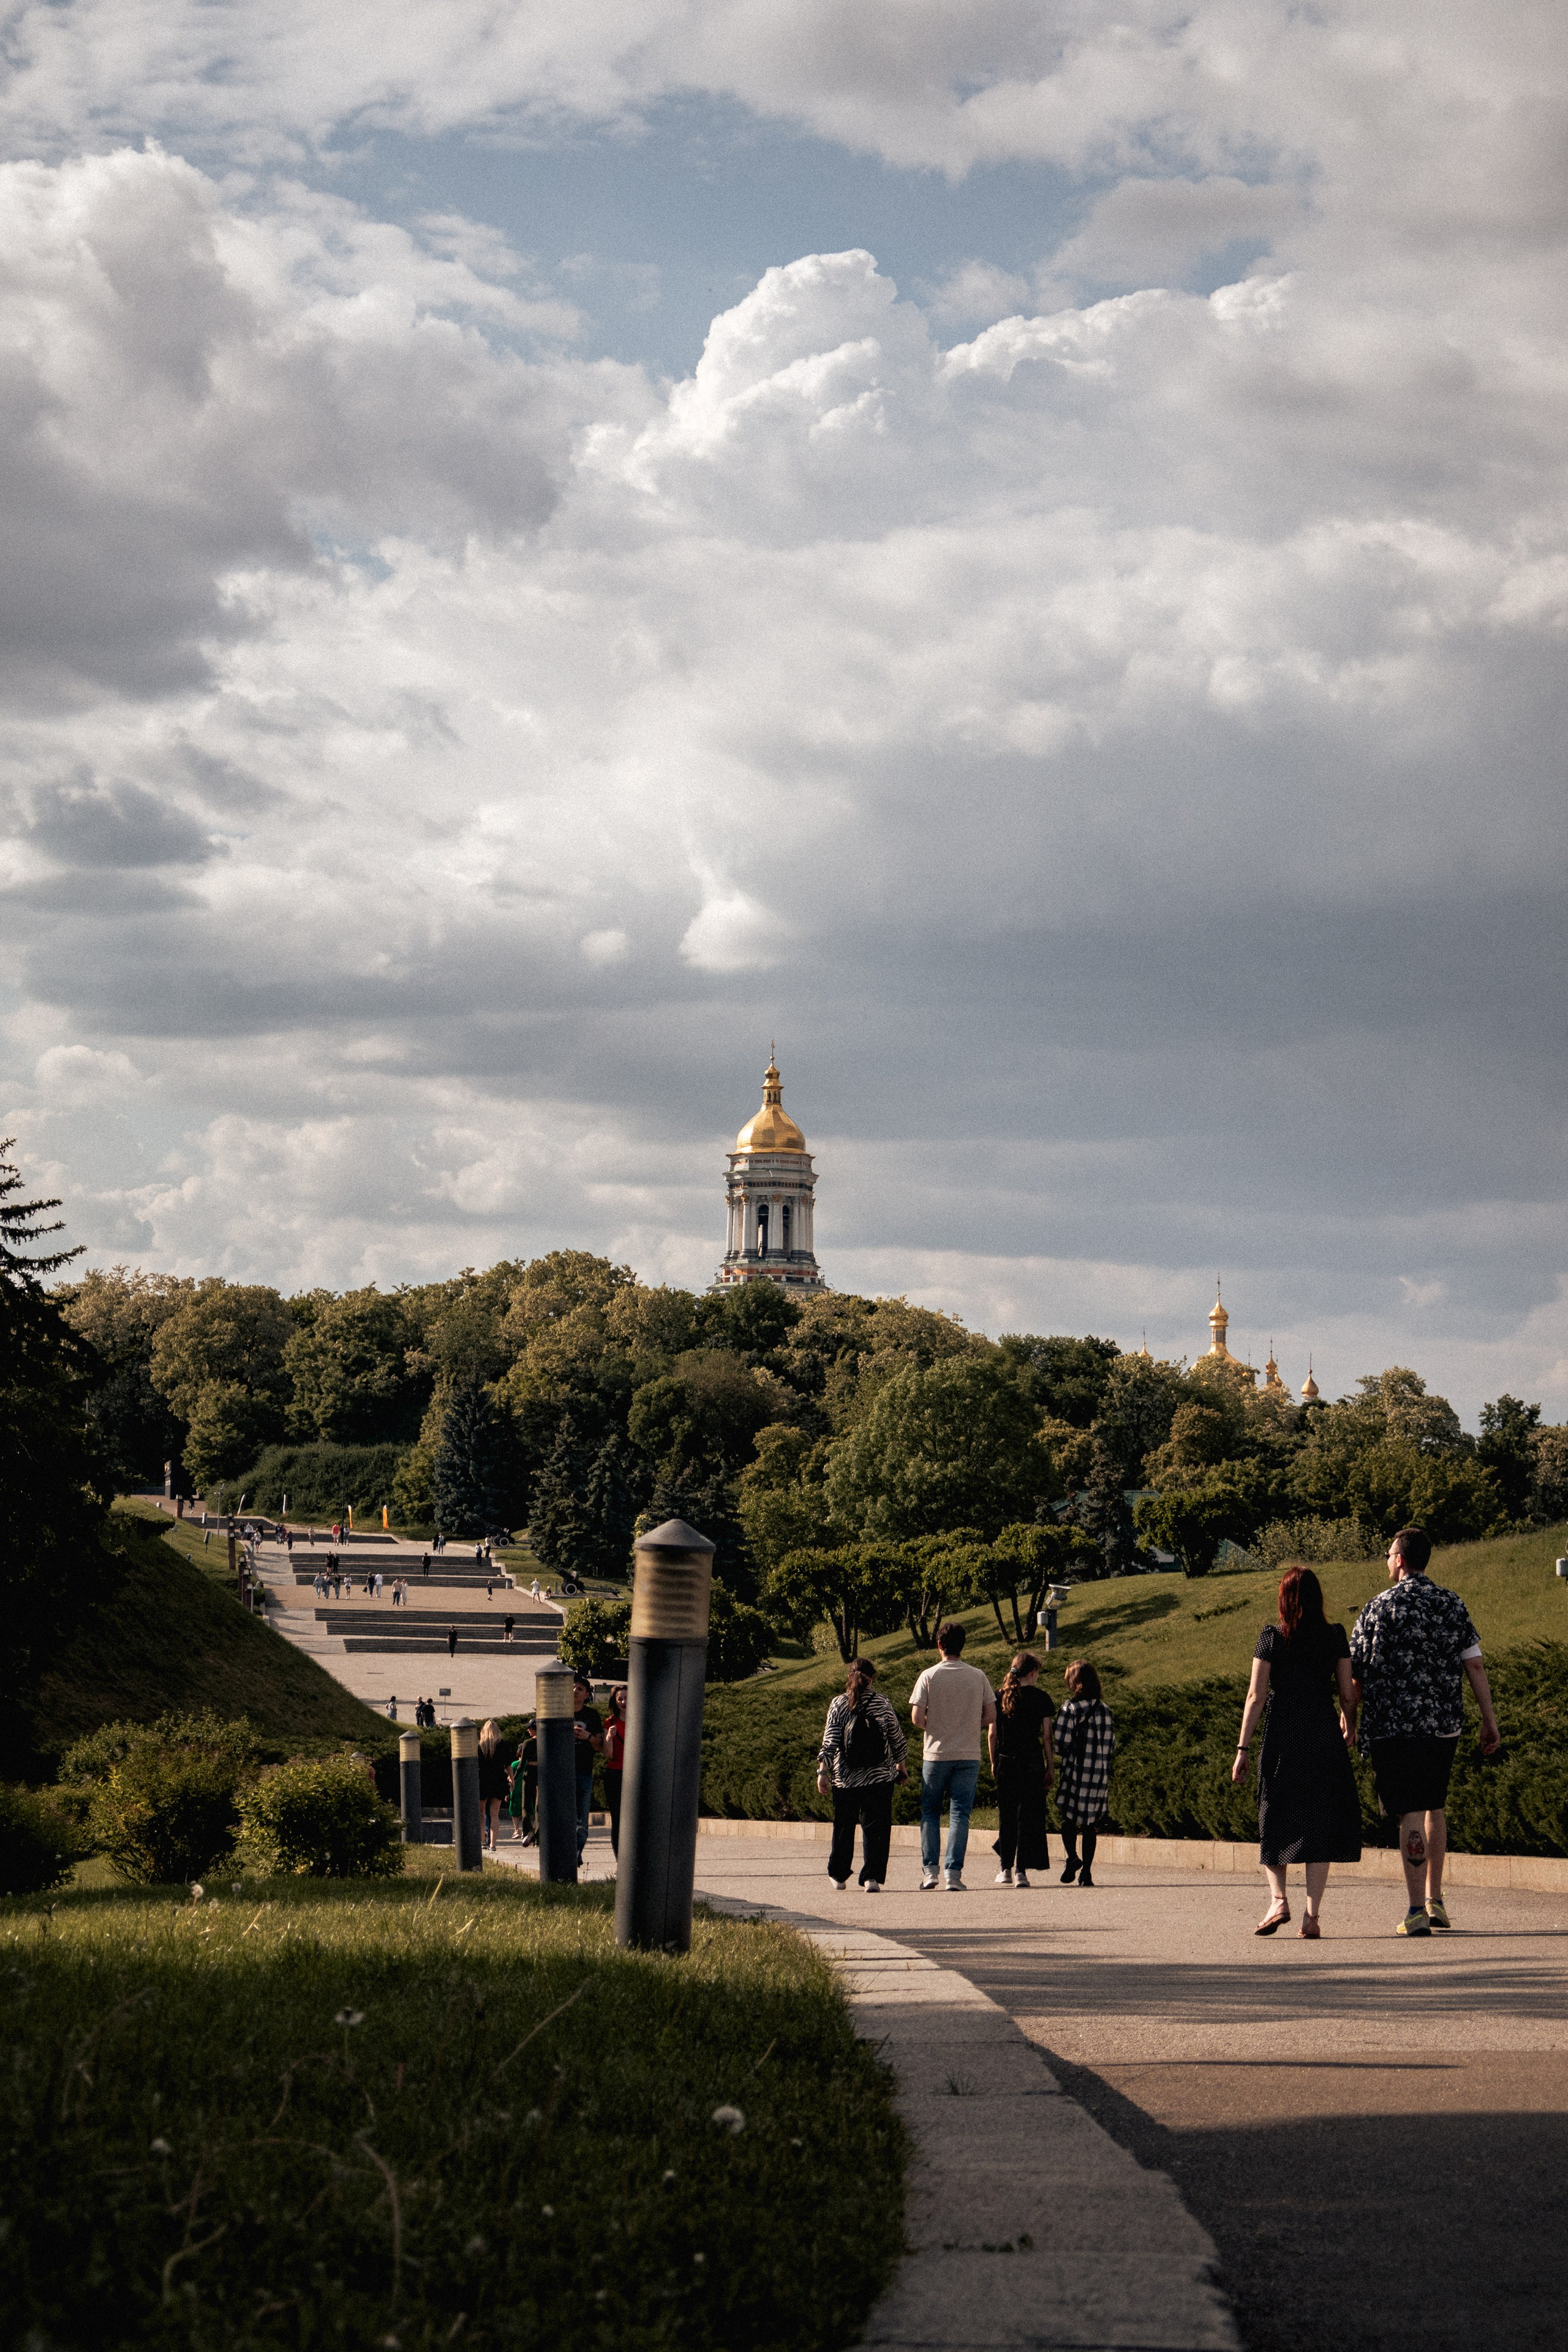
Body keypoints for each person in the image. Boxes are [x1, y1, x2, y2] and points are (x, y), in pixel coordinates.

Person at [1350, 1525, 1501, 1936]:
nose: (1386, 1559)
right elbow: (1474, 1664)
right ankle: (1436, 1901)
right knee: (1435, 1804)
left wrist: (1347, 1715)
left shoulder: (1376, 1609)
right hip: (1442, 1725)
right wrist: (1490, 1720)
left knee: (1410, 1812)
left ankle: (1415, 1910)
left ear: (1399, 1559)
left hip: (1394, 1727)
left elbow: (1354, 1675)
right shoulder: (1452, 1604)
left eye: (1387, 1553)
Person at [1233, 1566, 1363, 1937]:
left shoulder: (1272, 1638)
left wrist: (1242, 1748)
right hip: (1322, 1734)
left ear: (1284, 1599)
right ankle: (1312, 1917)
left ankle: (1278, 1901)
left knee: (1274, 1813)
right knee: (1319, 1820)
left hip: (1282, 1735)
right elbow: (1347, 1693)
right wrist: (1349, 1725)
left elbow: (1256, 1696)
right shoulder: (1335, 1635)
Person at [910, 1622, 997, 1891]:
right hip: (969, 1753)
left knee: (930, 1812)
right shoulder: (978, 1676)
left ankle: (931, 1872)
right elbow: (992, 1715)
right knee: (960, 1814)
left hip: (935, 1754)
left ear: (939, 1645)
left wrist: (934, 1726)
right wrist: (970, 1725)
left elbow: (916, 1718)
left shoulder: (929, 1676)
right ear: (963, 1645)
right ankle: (954, 1874)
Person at [818, 1657, 908, 1891]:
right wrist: (901, 1766)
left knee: (844, 1826)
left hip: (845, 1778)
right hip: (879, 1777)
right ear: (873, 1679)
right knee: (877, 1827)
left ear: (849, 1677)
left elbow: (830, 1742)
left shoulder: (838, 1704)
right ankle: (872, 1878)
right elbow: (896, 1738)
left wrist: (823, 1772)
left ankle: (839, 1875)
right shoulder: (882, 1703)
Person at [990, 1651, 1055, 1887]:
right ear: (1033, 1672)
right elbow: (1047, 1737)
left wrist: (993, 1761)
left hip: (1006, 1761)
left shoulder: (1000, 1696)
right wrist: (1051, 1766)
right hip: (1032, 1762)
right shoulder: (1042, 1699)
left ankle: (1004, 1869)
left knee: (1006, 1815)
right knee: (1027, 1817)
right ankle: (1021, 1871)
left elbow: (992, 1733)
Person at [1055, 1660, 1116, 1887]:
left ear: (1076, 1682)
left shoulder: (1071, 1708)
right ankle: (1087, 1873)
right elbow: (1112, 1744)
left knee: (1068, 1818)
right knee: (1090, 1825)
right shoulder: (1105, 1709)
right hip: (1099, 1774)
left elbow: (1061, 1743)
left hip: (1076, 1771)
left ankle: (1072, 1858)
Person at [571, 1676, 604, 1868]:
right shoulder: (560, 1711)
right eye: (573, 1687)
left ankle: (577, 1851)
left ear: (587, 1694)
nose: (575, 1690)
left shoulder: (591, 1716)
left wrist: (587, 1736)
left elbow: (600, 1745)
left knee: (582, 1818)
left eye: (580, 1688)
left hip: (584, 1770)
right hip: (562, 1772)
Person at [601, 1686, 628, 1858]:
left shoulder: (640, 1720)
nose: (624, 1702)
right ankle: (621, 1860)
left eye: (627, 1698)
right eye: (620, 1699)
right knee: (618, 1819)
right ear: (615, 1702)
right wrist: (609, 1738)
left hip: (635, 1776)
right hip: (615, 1775)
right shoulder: (609, 1723)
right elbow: (608, 1754)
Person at [477, 1719, 510, 1850]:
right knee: (494, 1814)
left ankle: (482, 1841)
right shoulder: (501, 1744)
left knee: (481, 1813)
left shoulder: (480, 1745)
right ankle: (493, 1844)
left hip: (483, 1780)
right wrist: (511, 1779)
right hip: (498, 1780)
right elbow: (508, 1764)